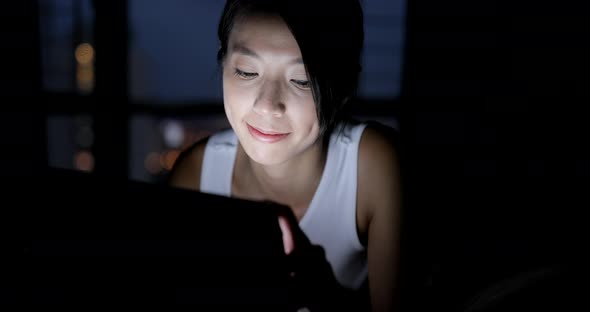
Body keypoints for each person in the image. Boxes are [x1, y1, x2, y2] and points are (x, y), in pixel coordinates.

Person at [169, 0, 402, 311]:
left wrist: (325, 294)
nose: (268, 105)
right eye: (247, 72)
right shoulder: (196, 175)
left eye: (301, 80)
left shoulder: (373, 167)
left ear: (344, 86)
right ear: (223, 63)